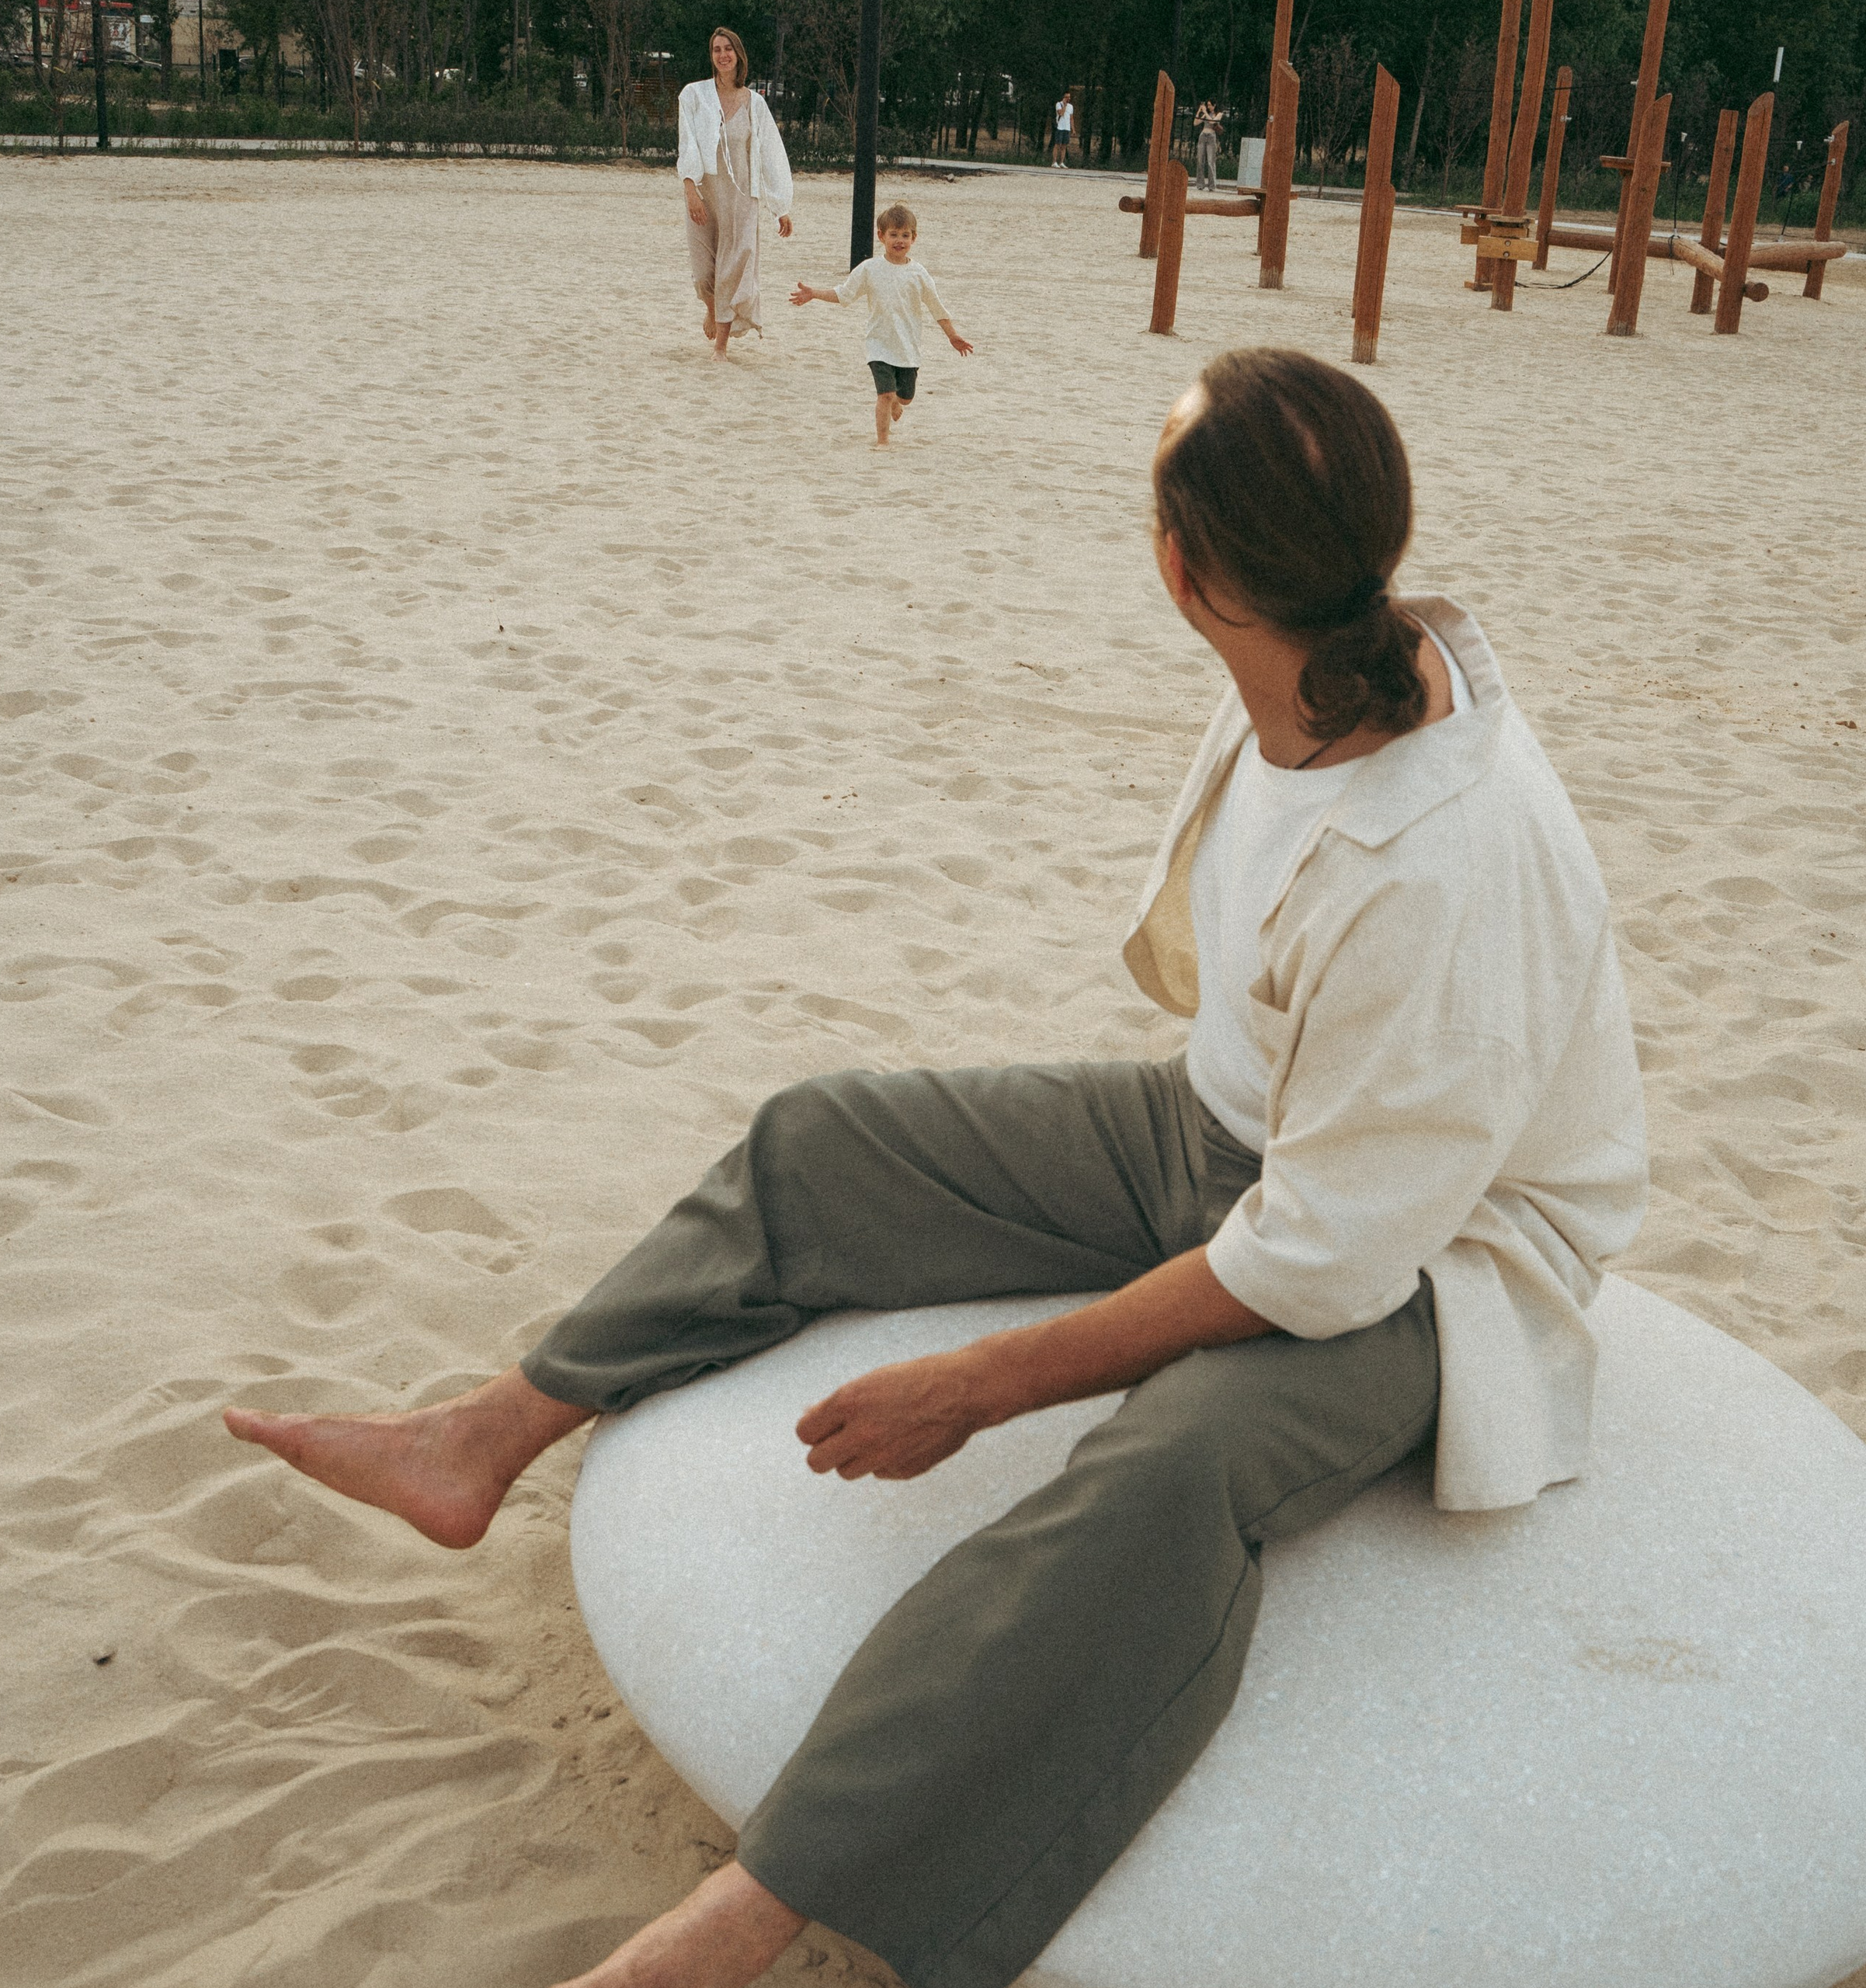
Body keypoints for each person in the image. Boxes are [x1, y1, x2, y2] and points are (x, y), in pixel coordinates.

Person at [224, 348, 1648, 1988]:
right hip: (1235, 1132)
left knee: (1160, 1479)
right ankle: (482, 1433)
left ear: (1183, 571)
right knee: (826, 1140)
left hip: (1443, 1258)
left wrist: (982, 1378)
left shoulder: (1440, 863)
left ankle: (729, 1930)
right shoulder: (1322, 651)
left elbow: (1325, 1264)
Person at [790, 203, 974, 448]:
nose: (899, 240)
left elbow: (937, 308)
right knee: (885, 395)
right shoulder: (870, 268)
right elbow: (844, 294)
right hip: (878, 344)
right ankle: (883, 442)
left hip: (908, 347)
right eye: (894, 235)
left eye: (905, 235)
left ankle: (897, 401)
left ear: (914, 238)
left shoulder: (919, 273)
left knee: (905, 398)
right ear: (881, 236)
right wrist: (814, 293)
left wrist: (953, 336)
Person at [678, 27, 793, 360]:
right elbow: (687, 145)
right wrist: (690, 190)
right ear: (711, 56)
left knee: (732, 269)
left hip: (742, 200)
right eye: (717, 49)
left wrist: (780, 206)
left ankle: (721, 348)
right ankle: (712, 307)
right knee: (703, 273)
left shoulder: (754, 103)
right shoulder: (693, 96)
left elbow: (771, 154)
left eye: (729, 49)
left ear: (739, 55)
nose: (723, 55)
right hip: (705, 195)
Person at [1194, 99, 1225, 191]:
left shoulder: (1219, 114)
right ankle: (1200, 184)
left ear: (1214, 105)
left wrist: (1205, 113)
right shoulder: (1205, 114)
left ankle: (1212, 186)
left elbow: (1212, 122)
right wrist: (1199, 111)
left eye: (1210, 105)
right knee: (1200, 161)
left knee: (1210, 162)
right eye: (1207, 105)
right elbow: (1195, 123)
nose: (1208, 107)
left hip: (1211, 137)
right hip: (1203, 136)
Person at [1051, 88, 1074, 167]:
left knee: (1064, 145)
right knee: (1057, 144)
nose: (1068, 99)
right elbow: (1061, 113)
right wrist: (1064, 105)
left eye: (1069, 97)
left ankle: (1061, 162)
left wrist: (1073, 129)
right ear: (1063, 98)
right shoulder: (1059, 104)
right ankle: (1054, 162)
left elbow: (1071, 118)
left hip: (1067, 128)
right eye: (1067, 97)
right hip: (1060, 127)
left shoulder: (1071, 107)